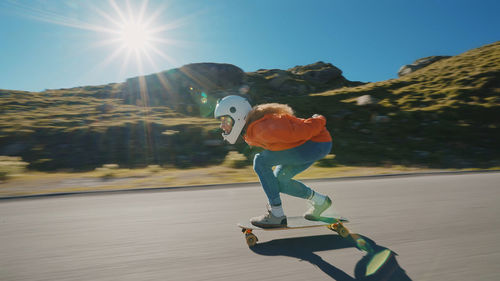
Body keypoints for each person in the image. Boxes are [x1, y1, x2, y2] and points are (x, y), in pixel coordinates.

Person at [214, 95, 333, 228]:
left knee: (260, 162)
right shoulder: (252, 129)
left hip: (315, 144)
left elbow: (301, 130)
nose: (222, 125)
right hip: (310, 146)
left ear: (237, 115)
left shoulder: (264, 128)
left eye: (225, 120)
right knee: (280, 181)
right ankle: (320, 201)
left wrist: (319, 120)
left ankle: (276, 214)